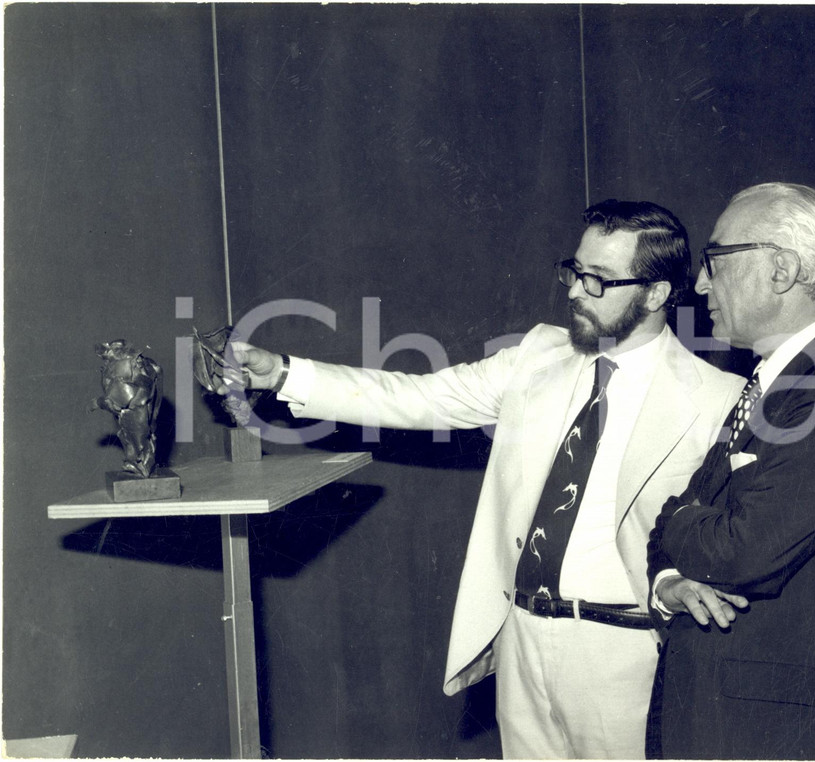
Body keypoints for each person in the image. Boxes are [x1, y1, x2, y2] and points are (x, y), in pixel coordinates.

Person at [220, 199, 745, 759]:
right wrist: (281, 373)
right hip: (519, 637)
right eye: (574, 272)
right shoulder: (536, 355)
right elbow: (420, 397)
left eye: (597, 281)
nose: (574, 291)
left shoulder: (717, 400)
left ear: (657, 294)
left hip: (625, 650)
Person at [645, 183, 815, 760]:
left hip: (787, 734)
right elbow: (680, 527)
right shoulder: (778, 382)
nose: (700, 284)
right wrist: (670, 582)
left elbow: (739, 550)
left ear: (781, 268)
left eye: (714, 260)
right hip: (721, 716)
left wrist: (682, 520)